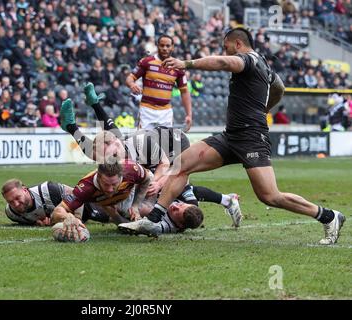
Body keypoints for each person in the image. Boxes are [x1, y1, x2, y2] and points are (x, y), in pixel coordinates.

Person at [143, 28, 345, 245]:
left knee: (270, 196)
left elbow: (223, 63)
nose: (225, 51)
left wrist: (187, 64)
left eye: (226, 47)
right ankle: (153, 219)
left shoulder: (246, 59)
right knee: (181, 165)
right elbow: (280, 88)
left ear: (238, 44)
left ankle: (329, 216)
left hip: (251, 137)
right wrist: (264, 109)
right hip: (231, 136)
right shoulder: (265, 67)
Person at [60, 83, 242, 227]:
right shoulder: (143, 149)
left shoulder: (146, 151)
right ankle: (75, 123)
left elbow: (174, 173)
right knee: (109, 156)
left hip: (168, 145)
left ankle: (89, 110)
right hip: (162, 145)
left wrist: (156, 184)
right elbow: (168, 168)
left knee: (117, 151)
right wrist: (158, 182)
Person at [53, 161, 154, 226]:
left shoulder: (132, 169)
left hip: (136, 188)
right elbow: (56, 212)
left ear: (121, 176)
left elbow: (147, 179)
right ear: (98, 177)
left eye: (114, 184)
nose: (110, 189)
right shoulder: (85, 187)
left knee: (149, 209)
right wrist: (68, 217)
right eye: (106, 184)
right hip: (115, 202)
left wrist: (135, 206)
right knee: (131, 217)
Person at [125, 35, 192, 131]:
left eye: (168, 46)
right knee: (144, 143)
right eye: (162, 45)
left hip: (166, 112)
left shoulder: (178, 67)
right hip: (147, 110)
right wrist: (132, 84)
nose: (165, 48)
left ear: (172, 47)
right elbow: (130, 78)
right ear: (157, 46)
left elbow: (185, 91)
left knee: (165, 144)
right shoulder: (147, 62)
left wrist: (189, 114)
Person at [1, 178, 109, 226]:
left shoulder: (48, 189)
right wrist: (36, 222)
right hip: (62, 215)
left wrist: (76, 220)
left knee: (108, 217)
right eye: (10, 202)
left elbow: (77, 195)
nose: (15, 204)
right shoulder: (11, 213)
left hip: (84, 205)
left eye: (17, 198)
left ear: (25, 190)